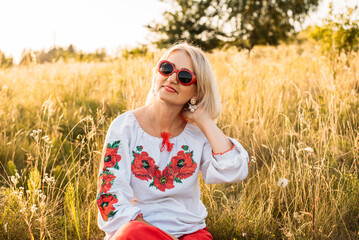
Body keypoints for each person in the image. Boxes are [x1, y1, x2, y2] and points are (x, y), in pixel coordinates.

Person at [97, 42, 249, 240]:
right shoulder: (124, 127)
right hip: (138, 230)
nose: (171, 78)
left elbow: (233, 170)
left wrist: (204, 120)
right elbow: (110, 200)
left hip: (189, 231)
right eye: (166, 68)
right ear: (157, 73)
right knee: (130, 234)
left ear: (196, 91)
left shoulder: (196, 133)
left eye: (184, 77)